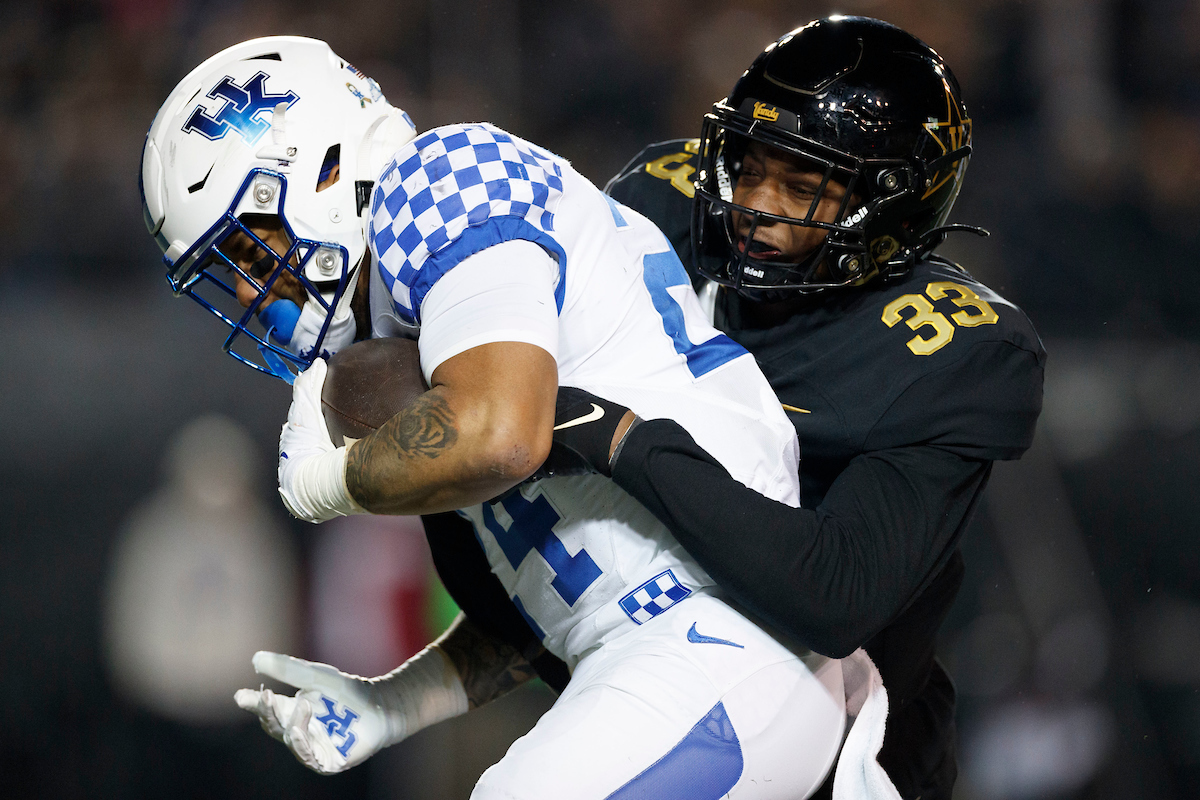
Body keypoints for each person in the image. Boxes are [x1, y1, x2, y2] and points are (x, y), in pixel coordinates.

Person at [141, 35, 888, 800]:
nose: (242, 295)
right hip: (670, 654)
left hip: (724, 636)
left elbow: (501, 436)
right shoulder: (420, 332)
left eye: (248, 251)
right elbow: (550, 601)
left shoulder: (439, 180)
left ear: (324, 172)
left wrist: (328, 485)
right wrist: (397, 702)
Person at [591, 16, 1046, 800]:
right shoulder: (656, 209)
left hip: (844, 746)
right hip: (636, 676)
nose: (757, 206)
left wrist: (624, 441)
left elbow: (833, 595)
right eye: (748, 167)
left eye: (801, 187)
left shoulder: (956, 355)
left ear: (893, 205)